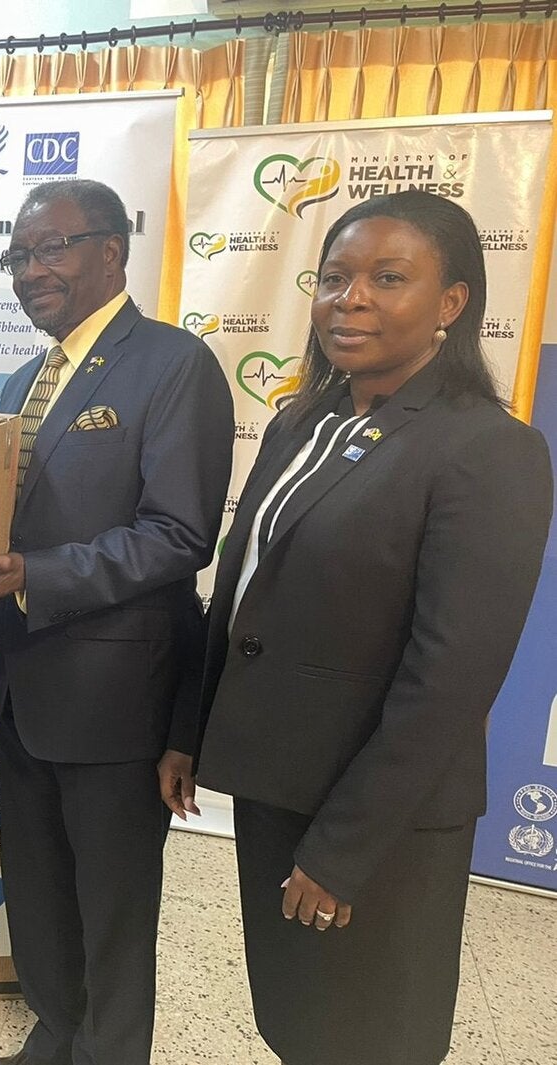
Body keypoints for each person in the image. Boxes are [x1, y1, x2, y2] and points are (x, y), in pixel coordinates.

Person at [159, 191, 553, 1065]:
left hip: (381, 818)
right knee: (297, 1020)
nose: (352, 298)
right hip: (276, 781)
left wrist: (343, 848)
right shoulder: (305, 419)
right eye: (335, 277)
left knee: (373, 1036)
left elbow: (450, 678)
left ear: (451, 303)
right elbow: (242, 589)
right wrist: (192, 728)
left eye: (387, 278)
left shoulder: (488, 448)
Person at [0, 179, 234, 1065]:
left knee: (111, 906)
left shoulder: (174, 365)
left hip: (115, 699)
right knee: (38, 889)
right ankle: (54, 1037)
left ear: (112, 250)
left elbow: (179, 534)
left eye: (53, 248)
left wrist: (32, 576)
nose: (32, 271)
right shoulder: (29, 378)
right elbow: (2, 528)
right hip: (23, 689)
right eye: (20, 255)